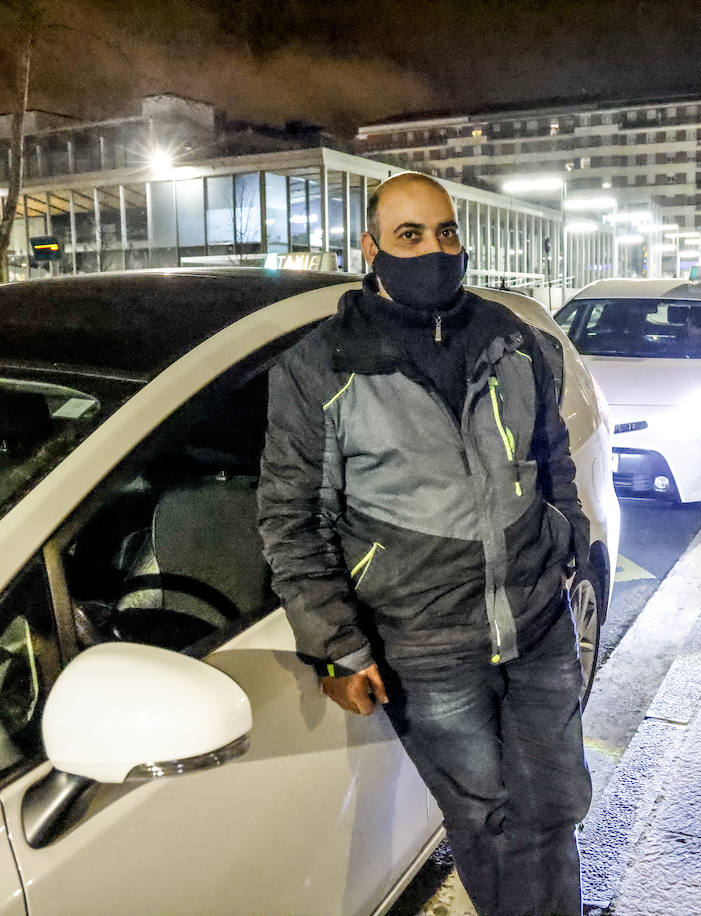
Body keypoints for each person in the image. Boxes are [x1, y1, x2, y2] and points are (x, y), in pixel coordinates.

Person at [257, 172, 592, 916]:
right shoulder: (319, 370)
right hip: (427, 647)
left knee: (556, 805)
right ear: (371, 248)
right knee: (488, 819)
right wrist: (337, 647)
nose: (434, 250)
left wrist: (571, 541)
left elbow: (551, 459)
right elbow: (291, 520)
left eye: (446, 233)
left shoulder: (516, 342)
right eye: (410, 236)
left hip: (537, 626)